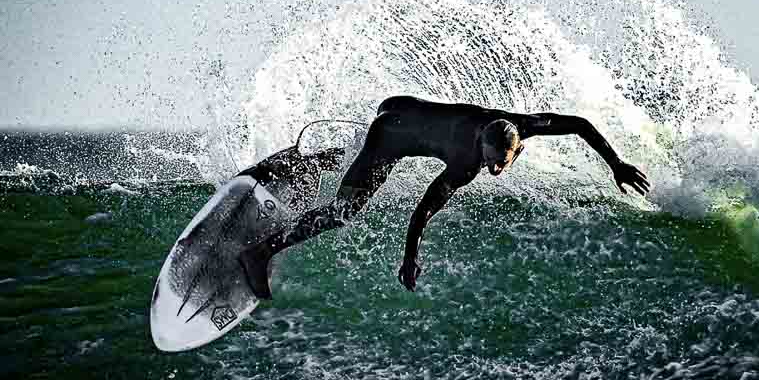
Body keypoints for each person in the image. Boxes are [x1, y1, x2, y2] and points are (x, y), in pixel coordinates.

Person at [239, 95, 650, 297]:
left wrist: (615, 163)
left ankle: (291, 166)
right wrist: (410, 256)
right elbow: (425, 207)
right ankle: (259, 252)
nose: (490, 169)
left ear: (515, 143)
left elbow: (578, 123)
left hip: (400, 105)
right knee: (344, 211)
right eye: (488, 162)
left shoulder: (520, 125)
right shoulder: (464, 161)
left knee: (353, 169)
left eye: (497, 164)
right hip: (389, 136)